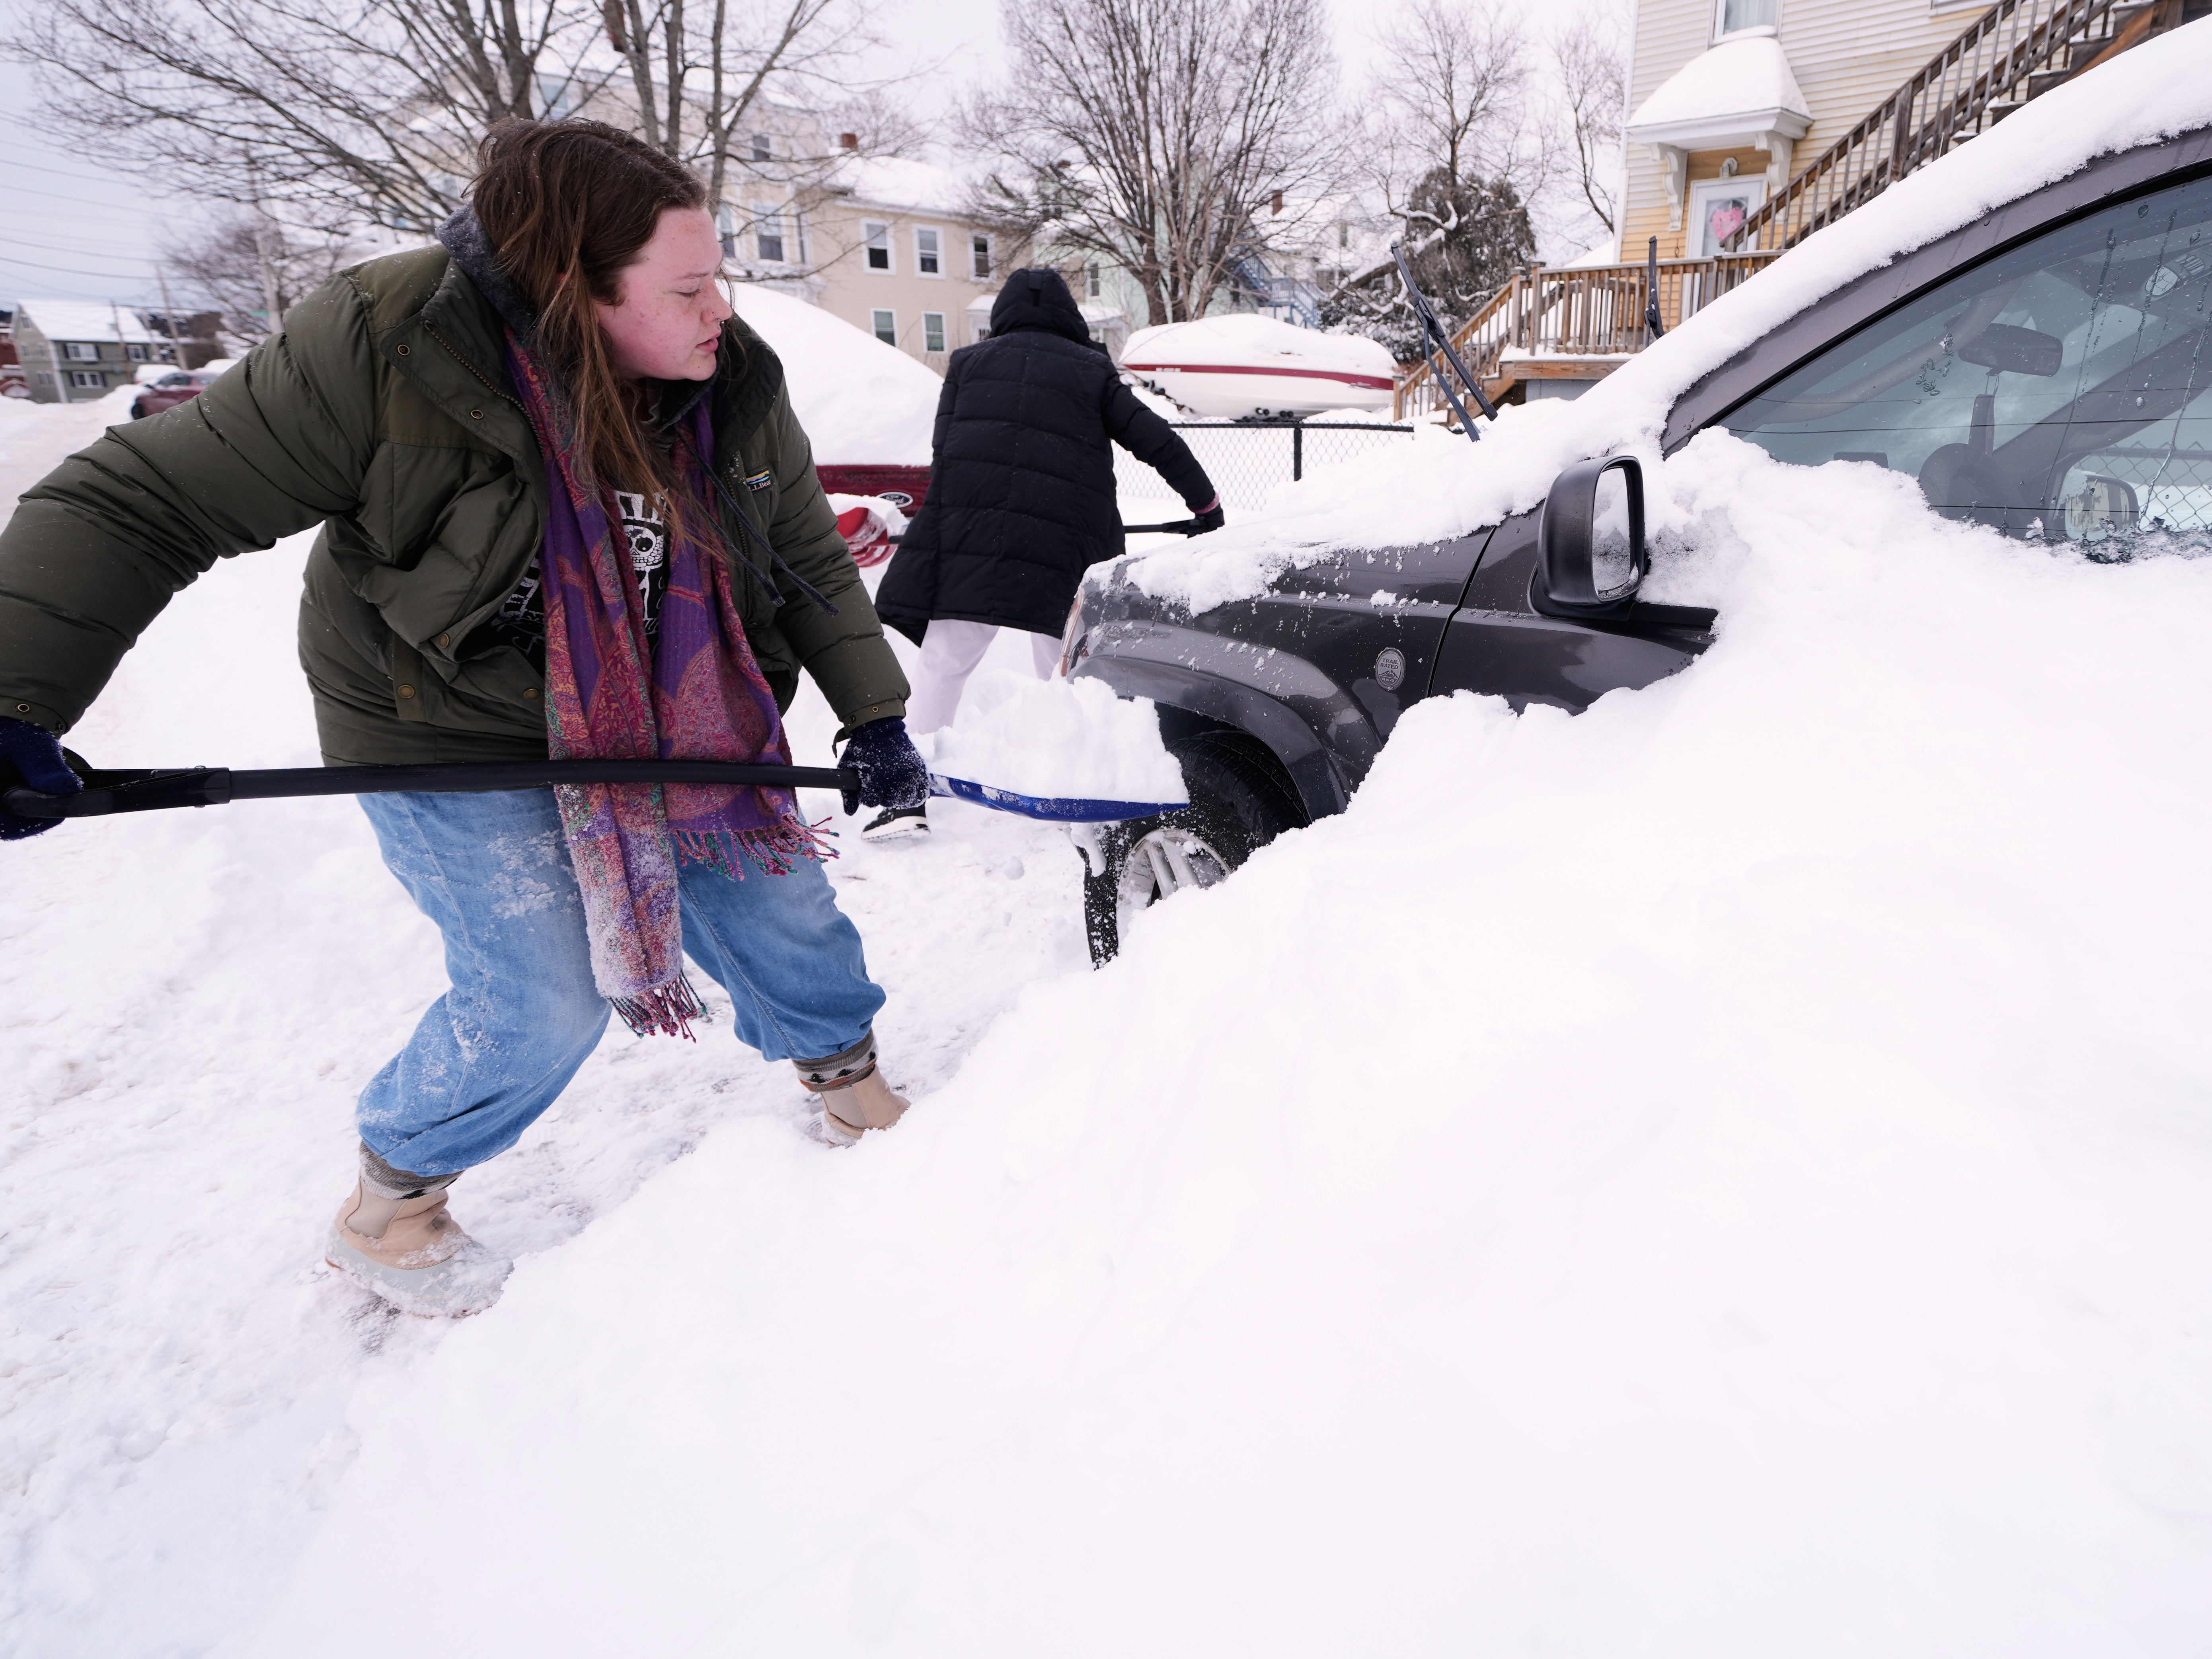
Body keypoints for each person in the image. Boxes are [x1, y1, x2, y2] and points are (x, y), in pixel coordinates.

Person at [0, 119, 934, 1316]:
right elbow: (141, 501)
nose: (720, 312)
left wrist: (874, 713)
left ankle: (852, 1087)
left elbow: (800, 543)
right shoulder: (389, 341)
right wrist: (18, 698)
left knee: (771, 893)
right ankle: (394, 1207)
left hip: (661, 705)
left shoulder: (729, 382)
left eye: (722, 283)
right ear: (571, 291)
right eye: (691, 287)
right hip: (439, 716)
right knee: (539, 987)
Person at [869, 267, 1222, 838]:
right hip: (1063, 545)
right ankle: (1071, 792)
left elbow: (945, 452)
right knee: (1062, 666)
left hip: (970, 538)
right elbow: (1157, 439)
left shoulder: (965, 365)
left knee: (944, 661)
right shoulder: (1091, 372)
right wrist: (1205, 504)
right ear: (1069, 316)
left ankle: (909, 794)